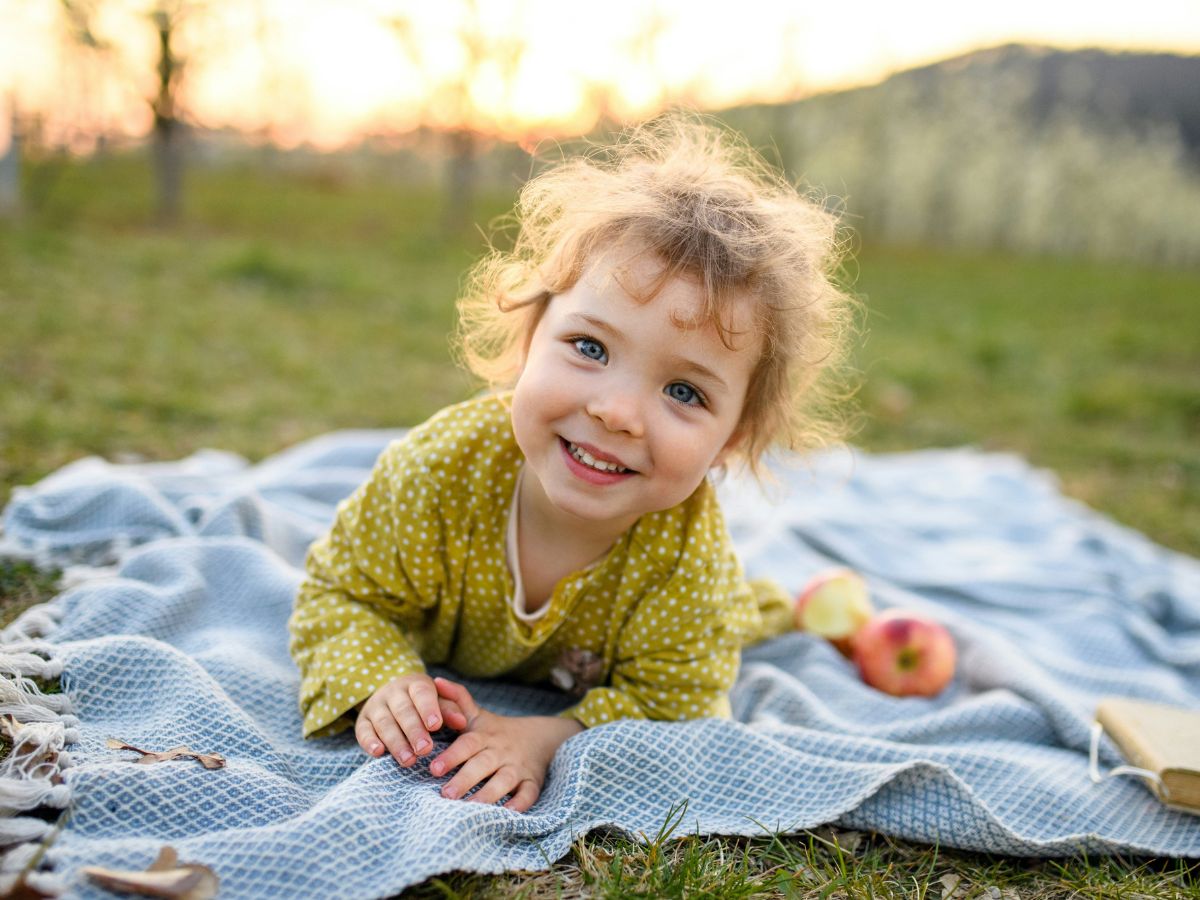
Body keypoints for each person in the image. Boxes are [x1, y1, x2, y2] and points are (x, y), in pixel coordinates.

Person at [288, 114, 857, 813]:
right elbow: (341, 591)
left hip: (706, 614)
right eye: (590, 347)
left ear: (732, 440)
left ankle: (799, 604)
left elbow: (680, 706)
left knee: (742, 614)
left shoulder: (687, 566)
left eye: (684, 391)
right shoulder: (437, 475)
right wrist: (382, 680)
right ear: (529, 341)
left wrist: (549, 737)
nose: (616, 412)